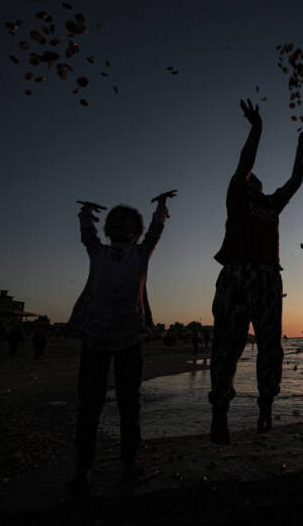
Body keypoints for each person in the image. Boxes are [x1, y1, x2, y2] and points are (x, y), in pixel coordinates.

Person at [209, 99, 303, 445]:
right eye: (249, 179)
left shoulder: (271, 204)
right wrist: (257, 128)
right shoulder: (236, 198)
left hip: (268, 278)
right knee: (227, 345)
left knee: (270, 346)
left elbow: (295, 181)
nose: (253, 181)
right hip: (236, 275)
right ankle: (220, 411)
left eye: (256, 181)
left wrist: (302, 145)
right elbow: (245, 163)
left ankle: (266, 404)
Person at [66, 190, 176, 491]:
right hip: (95, 338)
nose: (120, 225)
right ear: (107, 228)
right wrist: (85, 214)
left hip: (130, 338)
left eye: (127, 222)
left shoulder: (140, 254)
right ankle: (83, 468)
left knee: (129, 404)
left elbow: (155, 233)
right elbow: (87, 236)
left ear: (136, 230)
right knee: (90, 405)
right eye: (116, 221)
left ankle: (130, 462)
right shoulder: (98, 252)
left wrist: (161, 208)